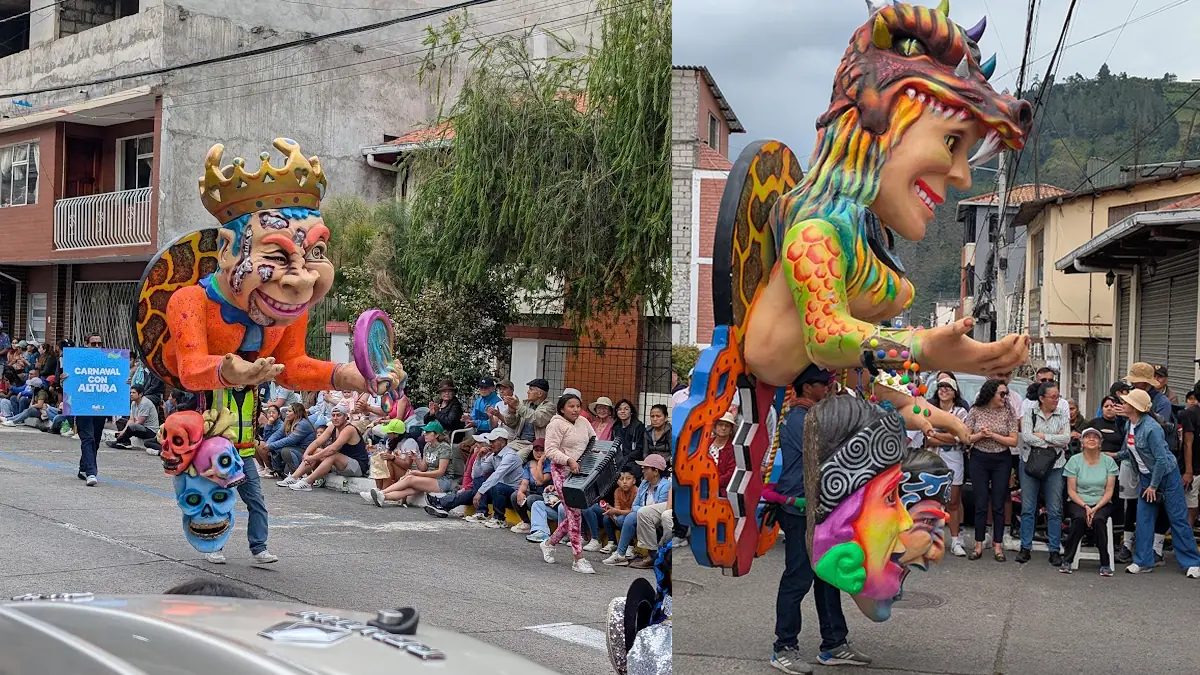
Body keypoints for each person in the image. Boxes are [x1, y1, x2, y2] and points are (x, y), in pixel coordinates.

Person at [770, 364, 868, 674]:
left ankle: (834, 643)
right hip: (801, 507)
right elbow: (831, 452)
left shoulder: (810, 415)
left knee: (827, 577)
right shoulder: (802, 419)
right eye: (823, 384)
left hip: (820, 506)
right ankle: (783, 647)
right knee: (798, 578)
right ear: (807, 387)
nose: (828, 388)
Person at [1111, 388, 1200, 577]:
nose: (1122, 404)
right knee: (1143, 519)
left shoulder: (1152, 428)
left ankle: (1192, 562)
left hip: (1167, 476)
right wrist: (1114, 455)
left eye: (1126, 402)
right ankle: (1143, 561)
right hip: (1146, 477)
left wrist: (1153, 485)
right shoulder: (1130, 425)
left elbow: (1161, 459)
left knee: (1178, 518)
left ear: (1134, 407)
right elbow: (1132, 451)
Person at [539, 393, 598, 574]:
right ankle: (578, 558)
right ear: (562, 409)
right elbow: (550, 450)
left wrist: (587, 461)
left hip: (581, 472)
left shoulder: (583, 422)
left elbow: (593, 439)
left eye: (578, 406)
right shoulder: (555, 424)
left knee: (574, 513)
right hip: (561, 472)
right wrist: (568, 460)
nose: (575, 409)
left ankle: (548, 544)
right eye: (571, 406)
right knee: (574, 513)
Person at [1017, 381, 1071, 565]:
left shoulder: (1062, 412)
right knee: (1028, 507)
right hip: (1030, 463)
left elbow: (1066, 438)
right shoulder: (1030, 412)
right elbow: (1026, 436)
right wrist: (1052, 442)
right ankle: (1025, 547)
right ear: (1041, 398)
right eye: (1053, 397)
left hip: (1056, 465)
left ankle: (1054, 549)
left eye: (1058, 396)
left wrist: (1042, 437)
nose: (1057, 400)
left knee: (1055, 508)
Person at [965, 378, 1018, 561]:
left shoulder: (1009, 412)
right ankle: (978, 544)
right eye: (1002, 393)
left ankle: (998, 546)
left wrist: (994, 435)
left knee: (999, 503)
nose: (1005, 397)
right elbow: (966, 437)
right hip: (979, 458)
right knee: (980, 502)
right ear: (991, 393)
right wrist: (981, 434)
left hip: (1001, 459)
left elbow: (1013, 440)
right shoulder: (976, 410)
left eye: (1006, 393)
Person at [1061, 427, 1118, 576]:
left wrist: (1095, 508)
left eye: (1095, 437)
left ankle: (1105, 563)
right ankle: (1067, 560)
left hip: (1102, 502)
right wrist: (1086, 506)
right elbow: (1071, 491)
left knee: (1099, 519)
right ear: (1082, 442)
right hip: (1078, 501)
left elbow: (1109, 491)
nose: (1091, 439)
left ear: (1100, 443)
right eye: (1087, 437)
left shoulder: (1108, 461)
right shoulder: (1074, 461)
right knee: (1079, 518)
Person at [923, 377, 969, 557]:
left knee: (953, 501)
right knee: (931, 500)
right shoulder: (929, 410)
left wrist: (936, 435)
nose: (944, 390)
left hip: (954, 458)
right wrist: (947, 435)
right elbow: (926, 438)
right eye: (941, 387)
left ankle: (956, 540)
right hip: (932, 458)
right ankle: (929, 540)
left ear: (955, 392)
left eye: (948, 388)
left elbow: (960, 437)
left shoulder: (961, 412)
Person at [278, 405, 370, 492]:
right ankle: (294, 477)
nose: (335, 418)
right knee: (316, 450)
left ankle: (307, 482)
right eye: (333, 415)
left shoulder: (349, 429)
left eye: (338, 415)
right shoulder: (332, 427)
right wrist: (306, 455)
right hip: (341, 464)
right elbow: (317, 442)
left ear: (345, 417)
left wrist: (312, 458)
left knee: (332, 454)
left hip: (357, 466)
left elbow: (332, 449)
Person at [369, 420, 458, 506]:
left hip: (442, 481)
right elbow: (423, 468)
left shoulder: (444, 448)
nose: (424, 434)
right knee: (408, 490)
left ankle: (381, 492)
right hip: (430, 478)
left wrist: (419, 474)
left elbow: (440, 472)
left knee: (410, 479)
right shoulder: (427, 446)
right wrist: (415, 458)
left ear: (437, 435)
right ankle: (382, 497)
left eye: (428, 432)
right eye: (424, 432)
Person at [424, 435, 494, 516]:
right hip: (475, 486)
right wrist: (464, 487)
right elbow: (468, 474)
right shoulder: (476, 454)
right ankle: (442, 508)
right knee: (460, 490)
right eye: (477, 442)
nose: (476, 444)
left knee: (468, 492)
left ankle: (440, 502)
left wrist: (465, 488)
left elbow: (483, 479)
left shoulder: (491, 457)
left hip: (484, 488)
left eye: (479, 443)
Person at [73, 332, 108, 488]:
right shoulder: (76, 360)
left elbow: (114, 379)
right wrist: (64, 379)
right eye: (93, 344)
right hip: (82, 405)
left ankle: (83, 468)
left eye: (99, 344)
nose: (96, 347)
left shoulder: (107, 361)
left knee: (95, 439)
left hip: (100, 406)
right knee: (87, 438)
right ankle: (91, 472)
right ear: (86, 344)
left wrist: (124, 381)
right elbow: (65, 383)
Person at [470, 429, 525, 529]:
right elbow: (477, 475)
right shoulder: (494, 455)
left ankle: (499, 519)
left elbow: (496, 476)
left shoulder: (510, 456)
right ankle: (482, 513)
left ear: (503, 442)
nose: (490, 444)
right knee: (479, 480)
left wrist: (479, 492)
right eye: (490, 442)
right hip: (499, 490)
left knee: (497, 486)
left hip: (513, 492)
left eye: (493, 441)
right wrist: (479, 457)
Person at [630, 454, 673, 569]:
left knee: (666, 515)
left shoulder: (665, 485)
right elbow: (634, 506)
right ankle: (652, 556)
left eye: (646, 468)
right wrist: (643, 508)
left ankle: (667, 555)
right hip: (664, 505)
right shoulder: (644, 483)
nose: (642, 470)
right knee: (642, 512)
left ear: (656, 471)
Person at [503, 379, 556, 458]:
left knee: (514, 459)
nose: (528, 392)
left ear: (540, 393)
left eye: (531, 389)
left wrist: (518, 406)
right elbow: (512, 424)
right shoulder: (526, 404)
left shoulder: (549, 407)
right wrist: (512, 411)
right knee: (499, 454)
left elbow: (537, 419)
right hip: (519, 442)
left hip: (535, 444)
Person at [262, 402, 316, 477]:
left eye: (289, 411)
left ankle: (297, 475)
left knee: (285, 450)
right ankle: (278, 471)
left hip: (304, 451)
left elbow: (290, 440)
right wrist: (268, 444)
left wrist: (270, 446)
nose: (286, 413)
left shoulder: (303, 424)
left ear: (297, 413)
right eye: (287, 411)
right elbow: (278, 434)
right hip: (294, 448)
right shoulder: (288, 421)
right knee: (274, 448)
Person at [509, 439, 552, 533]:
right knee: (515, 495)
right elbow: (524, 482)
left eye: (542, 450)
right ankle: (526, 522)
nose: (539, 453)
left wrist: (540, 464)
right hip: (533, 493)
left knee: (531, 499)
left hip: (546, 496)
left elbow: (541, 481)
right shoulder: (529, 464)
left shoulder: (549, 464)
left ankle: (538, 525)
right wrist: (520, 492)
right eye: (536, 450)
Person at [106, 385, 163, 453]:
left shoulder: (145, 403)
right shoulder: (133, 403)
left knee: (132, 426)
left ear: (140, 394)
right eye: (130, 393)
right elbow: (131, 419)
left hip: (150, 431)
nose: (131, 394)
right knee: (120, 421)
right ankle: (125, 442)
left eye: (133, 393)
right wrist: (123, 431)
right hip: (139, 427)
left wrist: (124, 432)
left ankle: (119, 441)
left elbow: (140, 422)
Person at [593, 469, 637, 556]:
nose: (624, 482)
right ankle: (612, 542)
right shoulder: (617, 491)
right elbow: (617, 509)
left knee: (622, 520)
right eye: (621, 479)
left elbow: (633, 511)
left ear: (634, 480)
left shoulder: (636, 491)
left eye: (628, 479)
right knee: (607, 517)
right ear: (617, 481)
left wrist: (615, 511)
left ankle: (630, 546)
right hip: (621, 515)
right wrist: (610, 509)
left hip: (632, 518)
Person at [612, 399, 646, 468]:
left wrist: (625, 459)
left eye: (626, 409)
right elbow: (613, 446)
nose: (622, 411)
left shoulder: (638, 427)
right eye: (619, 409)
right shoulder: (616, 427)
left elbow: (639, 449)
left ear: (631, 412)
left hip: (635, 461)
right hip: (619, 461)